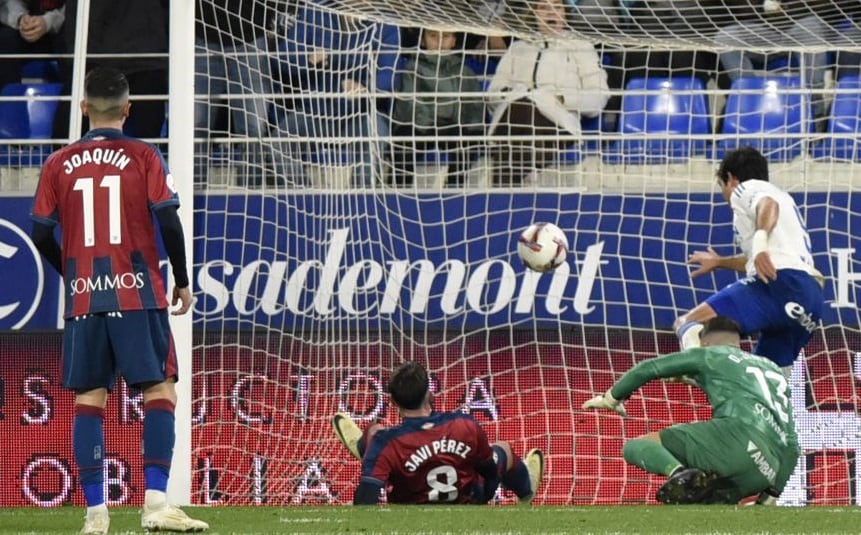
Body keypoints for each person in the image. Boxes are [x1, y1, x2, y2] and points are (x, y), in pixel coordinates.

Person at [29, 67, 207, 534]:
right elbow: (168, 221)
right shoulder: (145, 156)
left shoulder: (57, 163)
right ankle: (154, 503)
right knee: (159, 389)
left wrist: (71, 271)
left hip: (85, 299)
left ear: (83, 107)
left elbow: (41, 232)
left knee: (90, 398)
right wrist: (183, 280)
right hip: (137, 292)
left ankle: (95, 516)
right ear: (128, 110)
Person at [582, 316, 800, 505]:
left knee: (637, 446)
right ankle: (695, 485)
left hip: (736, 439)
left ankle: (680, 475)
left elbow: (648, 368)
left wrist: (611, 398)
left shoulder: (711, 355)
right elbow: (792, 447)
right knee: (700, 509)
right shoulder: (773, 371)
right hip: (765, 470)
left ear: (704, 340)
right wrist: (770, 497)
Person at [674, 146, 824, 378]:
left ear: (731, 179)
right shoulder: (785, 199)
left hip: (780, 285)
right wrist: (720, 262)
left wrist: (761, 240)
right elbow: (761, 259)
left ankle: (695, 369)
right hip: (810, 301)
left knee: (687, 322)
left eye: (721, 185)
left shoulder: (746, 188)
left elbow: (767, 206)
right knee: (765, 384)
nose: (724, 193)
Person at [331, 360, 544, 505]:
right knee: (503, 450)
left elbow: (366, 496)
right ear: (430, 394)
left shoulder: (387, 442)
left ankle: (367, 452)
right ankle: (526, 490)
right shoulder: (464, 425)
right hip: (466, 502)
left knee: (374, 433)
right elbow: (489, 470)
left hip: (408, 509)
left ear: (393, 402)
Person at [486, 0, 609, 185]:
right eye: (543, 7)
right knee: (522, 109)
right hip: (513, 115)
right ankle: (524, 180)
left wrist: (563, 98)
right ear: (534, 13)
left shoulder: (580, 46)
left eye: (557, 7)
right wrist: (510, 94)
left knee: (518, 134)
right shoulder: (517, 48)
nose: (551, 12)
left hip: (558, 120)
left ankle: (505, 192)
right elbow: (493, 92)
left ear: (565, 13)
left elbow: (599, 97)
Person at [390, 29, 485, 186]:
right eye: (433, 36)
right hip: (419, 125)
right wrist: (432, 120)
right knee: (405, 143)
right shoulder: (411, 68)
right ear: (422, 40)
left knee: (466, 142)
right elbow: (409, 104)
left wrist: (467, 129)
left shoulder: (465, 71)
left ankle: (455, 189)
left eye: (446, 36)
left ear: (454, 41)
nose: (440, 42)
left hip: (451, 125)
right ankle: (400, 193)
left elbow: (474, 109)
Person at [0, 0, 65, 88]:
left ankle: (70, 97)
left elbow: (74, 11)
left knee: (68, 39)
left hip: (62, 32)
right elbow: (12, 3)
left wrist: (47, 22)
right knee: (5, 39)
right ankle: (9, 98)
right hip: (26, 29)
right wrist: (21, 18)